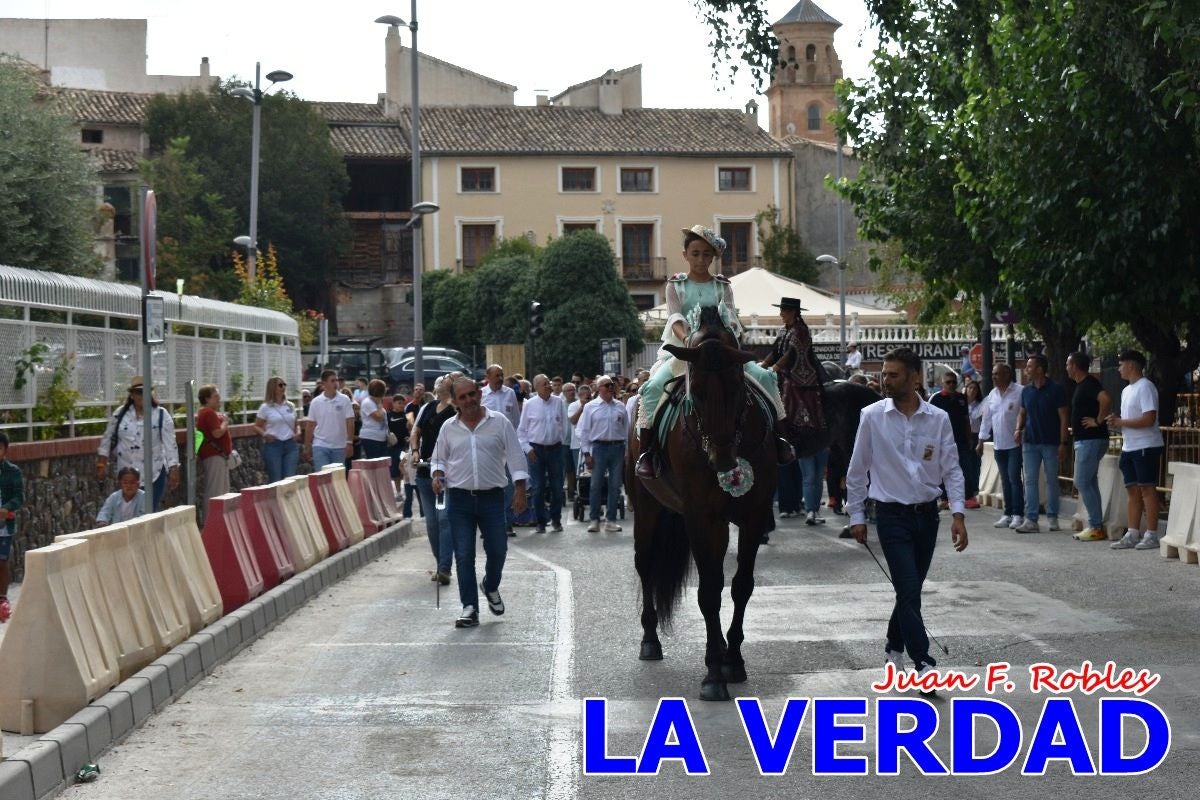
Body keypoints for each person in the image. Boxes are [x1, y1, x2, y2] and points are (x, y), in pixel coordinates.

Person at [846, 347, 968, 684]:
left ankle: (892, 647)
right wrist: (856, 514)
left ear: (915, 378)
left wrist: (958, 513)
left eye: (894, 374)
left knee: (908, 591)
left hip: (928, 517)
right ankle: (923, 661)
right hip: (890, 516)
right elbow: (857, 471)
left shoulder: (938, 418)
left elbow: (952, 469)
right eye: (884, 374)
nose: (886, 380)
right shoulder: (871, 416)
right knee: (909, 587)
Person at [636, 225, 793, 478]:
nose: (701, 259)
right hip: (685, 352)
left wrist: (727, 339)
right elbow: (675, 317)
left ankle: (780, 439)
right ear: (685, 254)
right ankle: (647, 452)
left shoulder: (723, 286)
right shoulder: (676, 285)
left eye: (706, 254)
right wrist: (687, 340)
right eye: (695, 253)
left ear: (713, 257)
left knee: (766, 377)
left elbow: (731, 318)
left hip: (723, 353)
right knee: (653, 387)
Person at [431, 376, 529, 629]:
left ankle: (491, 585)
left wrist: (520, 490)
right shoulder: (448, 428)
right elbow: (439, 459)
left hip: (493, 498)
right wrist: (437, 475)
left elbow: (516, 457)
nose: (469, 400)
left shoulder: (500, 422)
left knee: (498, 550)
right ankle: (470, 607)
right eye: (462, 397)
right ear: (455, 401)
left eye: (472, 394)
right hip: (459, 499)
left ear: (479, 393)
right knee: (463, 555)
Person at [762, 296, 828, 524]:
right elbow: (774, 351)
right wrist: (761, 367)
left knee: (788, 391)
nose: (781, 314)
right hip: (784, 373)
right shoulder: (782, 331)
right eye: (781, 310)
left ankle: (802, 421)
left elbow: (792, 354)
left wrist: (775, 368)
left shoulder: (801, 330)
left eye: (784, 310)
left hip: (800, 376)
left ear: (793, 312)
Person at [97, 376, 180, 511]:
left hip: (154, 473)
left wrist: (174, 469)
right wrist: (101, 464)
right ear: (132, 395)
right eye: (138, 392)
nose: (142, 396)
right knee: (129, 512)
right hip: (127, 475)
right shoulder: (120, 414)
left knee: (148, 512)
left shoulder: (161, 415)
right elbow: (107, 439)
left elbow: (170, 444)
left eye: (145, 392)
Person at [1108, 350, 1165, 551]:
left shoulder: (1146, 387)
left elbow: (1149, 419)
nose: (1119, 368)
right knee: (1132, 490)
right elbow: (1130, 420)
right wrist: (1117, 424)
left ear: (1131, 365)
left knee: (1147, 490)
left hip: (1146, 445)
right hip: (1129, 445)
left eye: (1121, 364)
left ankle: (1151, 534)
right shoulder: (1126, 390)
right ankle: (1133, 532)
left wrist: (1121, 421)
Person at [1014, 354, 1069, 533]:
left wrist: (1063, 442)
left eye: (1029, 366)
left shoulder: (1056, 389)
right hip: (1030, 440)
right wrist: (1018, 429)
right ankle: (1031, 518)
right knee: (1029, 480)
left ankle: (1053, 517)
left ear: (1040, 369)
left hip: (1051, 441)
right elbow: (1022, 412)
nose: (1026, 369)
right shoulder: (1026, 391)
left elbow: (1063, 417)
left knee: (1051, 480)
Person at [412, 378, 457, 583]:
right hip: (424, 472)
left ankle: (445, 567)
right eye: (439, 381)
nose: (439, 383)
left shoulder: (456, 410)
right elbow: (416, 431)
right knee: (431, 522)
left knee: (444, 519)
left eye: (445, 381)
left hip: (447, 473)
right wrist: (415, 451)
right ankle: (440, 563)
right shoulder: (428, 407)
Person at [1065, 352, 1112, 542]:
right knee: (1089, 482)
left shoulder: (1090, 384)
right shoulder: (1082, 386)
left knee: (1082, 481)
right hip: (1086, 440)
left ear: (1075, 366)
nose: (1066, 368)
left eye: (1068, 364)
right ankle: (1095, 524)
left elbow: (1106, 398)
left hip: (1090, 440)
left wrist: (1098, 420)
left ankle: (1095, 525)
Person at [577, 375, 630, 532]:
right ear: (598, 389)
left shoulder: (621, 406)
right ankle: (594, 519)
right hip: (598, 448)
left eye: (611, 385)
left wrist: (627, 451)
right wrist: (586, 453)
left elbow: (626, 431)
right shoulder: (590, 407)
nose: (609, 388)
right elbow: (583, 431)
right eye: (606, 385)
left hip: (617, 447)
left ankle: (611, 520)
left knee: (615, 485)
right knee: (595, 485)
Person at [518, 374, 567, 533]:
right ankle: (540, 521)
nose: (548, 386)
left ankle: (556, 519)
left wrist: (559, 442)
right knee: (538, 488)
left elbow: (564, 425)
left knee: (557, 488)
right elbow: (522, 431)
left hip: (555, 450)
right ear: (537, 388)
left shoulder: (558, 402)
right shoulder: (529, 404)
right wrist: (528, 449)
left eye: (549, 383)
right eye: (544, 384)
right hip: (536, 451)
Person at [978, 363, 1025, 529]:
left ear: (1007, 374)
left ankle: (1018, 514)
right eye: (993, 374)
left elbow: (1025, 413)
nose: (993, 377)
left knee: (1014, 479)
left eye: (997, 374)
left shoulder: (1020, 391)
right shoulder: (992, 394)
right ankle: (1007, 513)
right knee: (1005, 481)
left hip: (1015, 444)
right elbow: (986, 419)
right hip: (999, 445)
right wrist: (981, 441)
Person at [481, 365, 521, 534]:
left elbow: (516, 420)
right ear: (488, 377)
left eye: (501, 375)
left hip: (506, 446)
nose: (499, 378)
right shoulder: (481, 394)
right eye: (496, 375)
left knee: (508, 485)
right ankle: (488, 524)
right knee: (489, 485)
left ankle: (506, 521)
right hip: (488, 447)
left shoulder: (510, 393)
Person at [930, 371, 972, 510]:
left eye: (954, 382)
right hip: (942, 441)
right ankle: (944, 498)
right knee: (942, 470)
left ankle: (965, 497)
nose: (951, 385)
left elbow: (966, 419)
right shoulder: (935, 398)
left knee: (965, 469)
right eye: (948, 382)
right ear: (943, 383)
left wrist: (969, 437)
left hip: (960, 440)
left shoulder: (962, 398)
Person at [303, 369, 355, 470]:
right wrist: (307, 446)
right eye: (332, 381)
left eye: (336, 380)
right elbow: (310, 425)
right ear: (324, 383)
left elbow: (350, 422)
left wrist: (349, 442)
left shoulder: (345, 400)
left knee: (337, 479)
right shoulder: (316, 402)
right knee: (322, 478)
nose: (336, 383)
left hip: (339, 446)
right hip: (320, 445)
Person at [255, 376, 300, 483]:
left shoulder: (290, 406)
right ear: (273, 388)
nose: (283, 387)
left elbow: (296, 424)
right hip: (274, 445)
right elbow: (256, 426)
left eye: (284, 384)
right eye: (280, 385)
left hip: (290, 444)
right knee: (276, 479)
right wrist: (265, 434)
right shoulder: (265, 407)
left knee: (290, 479)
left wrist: (298, 432)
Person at [0, 431, 23, 623]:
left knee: (2, 561)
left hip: (4, 526)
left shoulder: (13, 472)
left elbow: (19, 497)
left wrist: (6, 508)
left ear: (5, 450)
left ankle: (2, 598)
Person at [196, 384, 232, 504]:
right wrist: (225, 422)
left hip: (216, 456)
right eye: (216, 396)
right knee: (216, 491)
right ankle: (212, 520)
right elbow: (217, 433)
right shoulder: (209, 413)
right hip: (215, 456)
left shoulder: (204, 412)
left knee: (220, 491)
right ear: (207, 399)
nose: (219, 399)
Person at [387, 393, 413, 514]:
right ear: (393, 403)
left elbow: (411, 430)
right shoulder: (388, 415)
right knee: (395, 471)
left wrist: (409, 435)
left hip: (403, 447)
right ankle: (398, 492)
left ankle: (407, 490)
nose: (401, 405)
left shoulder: (407, 416)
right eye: (399, 403)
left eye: (403, 403)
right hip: (392, 447)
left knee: (403, 467)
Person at [962, 378, 984, 508]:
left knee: (976, 463)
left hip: (976, 435)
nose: (972, 391)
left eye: (975, 388)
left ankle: (975, 489)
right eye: (970, 388)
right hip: (965, 435)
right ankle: (967, 490)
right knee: (966, 465)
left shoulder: (980, 404)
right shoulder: (962, 403)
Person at [358, 379, 390, 459]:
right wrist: (379, 404)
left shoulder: (376, 402)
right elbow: (379, 417)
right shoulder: (368, 402)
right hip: (371, 438)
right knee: (375, 465)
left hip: (381, 438)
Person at [561, 382, 579, 501]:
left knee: (578, 468)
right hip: (564, 442)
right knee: (569, 469)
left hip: (576, 441)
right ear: (564, 393)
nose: (571, 392)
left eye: (573, 390)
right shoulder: (560, 405)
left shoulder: (579, 404)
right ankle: (571, 493)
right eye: (568, 390)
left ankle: (579, 490)